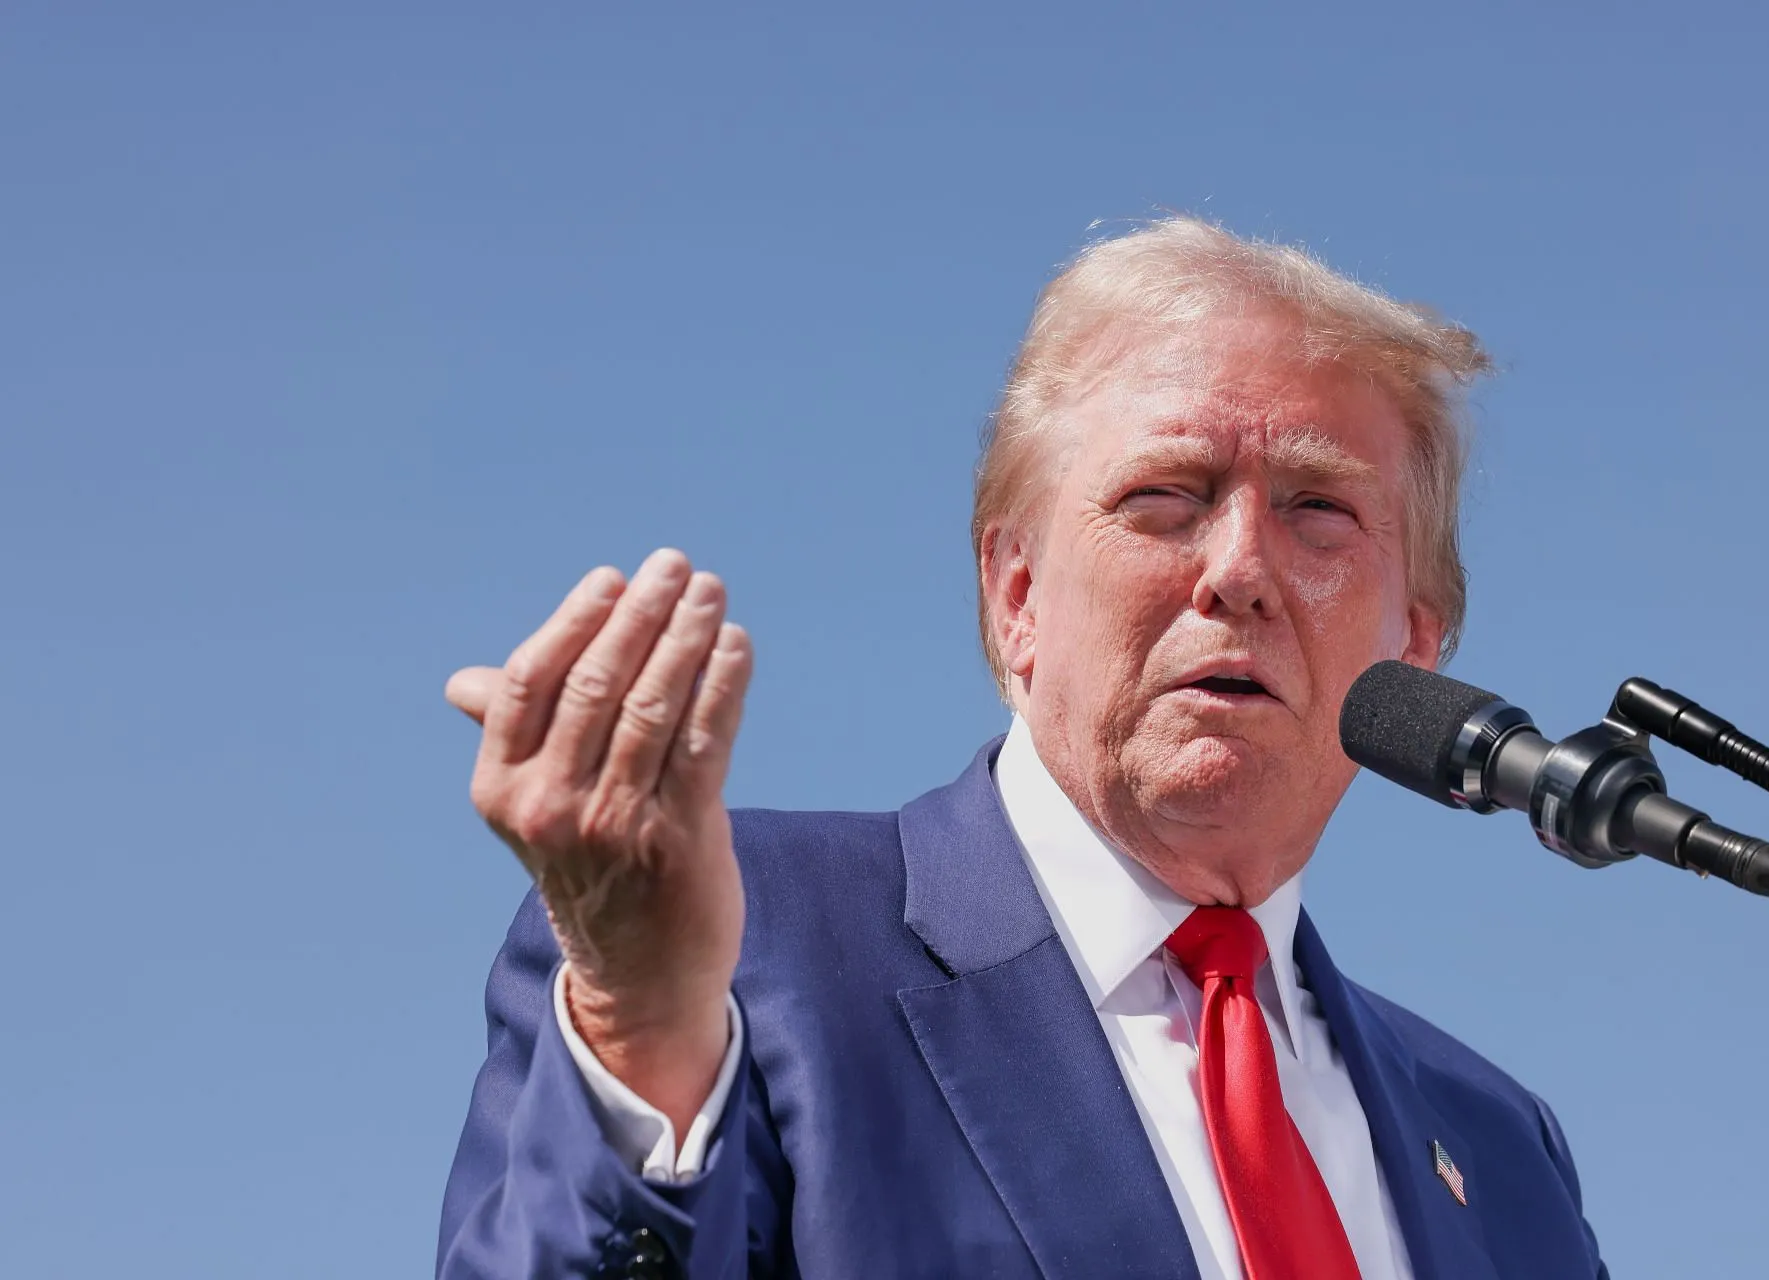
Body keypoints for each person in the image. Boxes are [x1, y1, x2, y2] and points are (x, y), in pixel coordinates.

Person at [435, 217, 1609, 1280]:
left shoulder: (1505, 1150)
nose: (1240, 569)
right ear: (1017, 596)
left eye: (1319, 508)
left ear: (1417, 645)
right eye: (1167, 495)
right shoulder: (726, 944)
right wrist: (643, 1032)